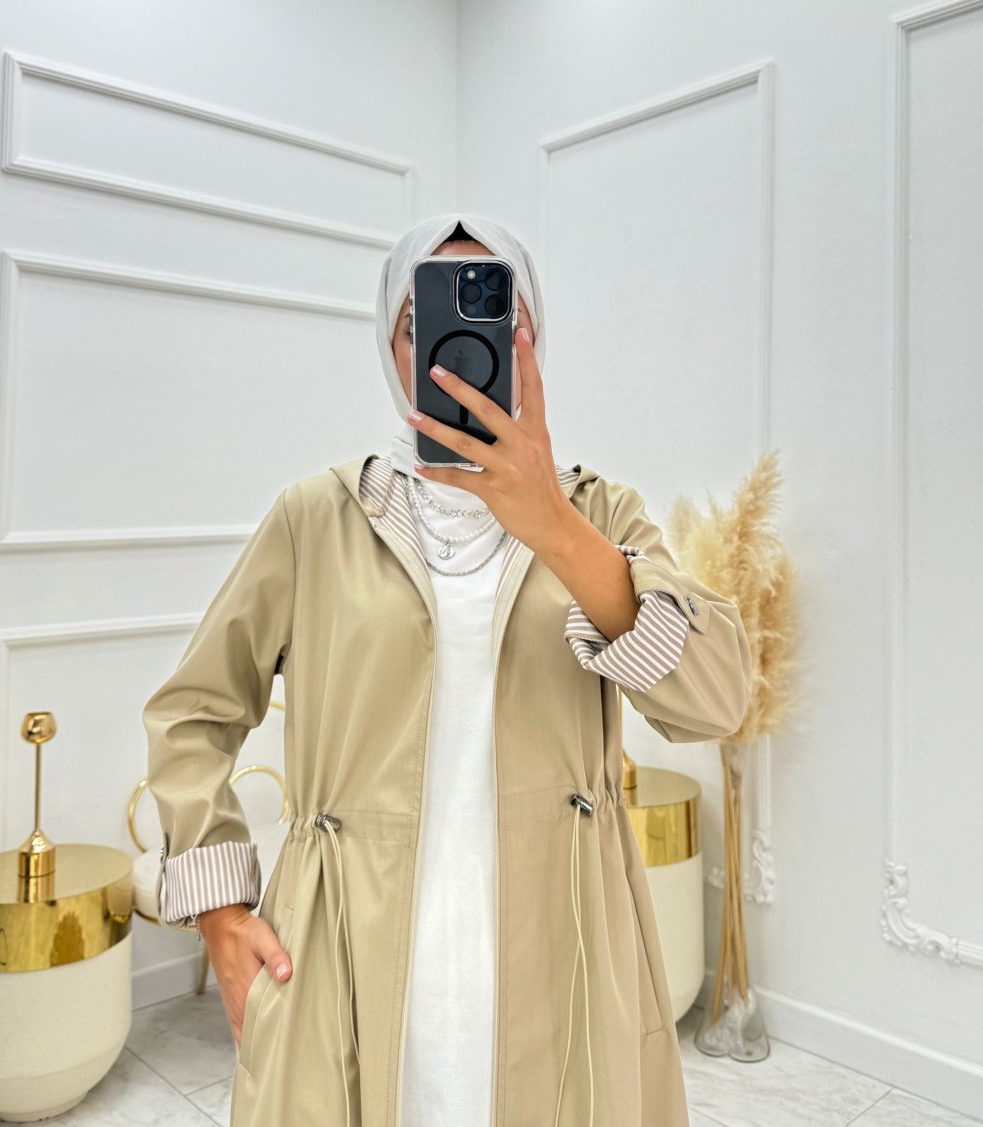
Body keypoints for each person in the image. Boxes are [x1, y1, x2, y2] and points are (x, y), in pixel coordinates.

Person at [143, 212, 754, 1127]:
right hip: (349, 951)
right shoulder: (318, 517)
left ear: (533, 339)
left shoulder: (601, 515)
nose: (460, 347)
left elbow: (720, 699)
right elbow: (192, 712)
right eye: (420, 318)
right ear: (391, 348)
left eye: (498, 313)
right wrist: (221, 914)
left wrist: (553, 524)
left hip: (563, 947)